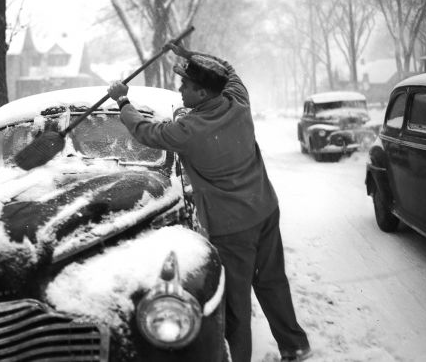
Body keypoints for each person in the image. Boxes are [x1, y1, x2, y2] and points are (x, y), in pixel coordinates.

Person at [107, 45, 310, 362]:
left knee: (235, 305)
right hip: (265, 209)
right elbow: (226, 69)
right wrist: (191, 54)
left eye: (186, 85)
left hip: (232, 228)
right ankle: (294, 344)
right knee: (272, 280)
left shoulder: (188, 131)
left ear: (201, 93)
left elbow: (145, 131)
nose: (180, 89)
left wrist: (122, 100)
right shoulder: (238, 103)